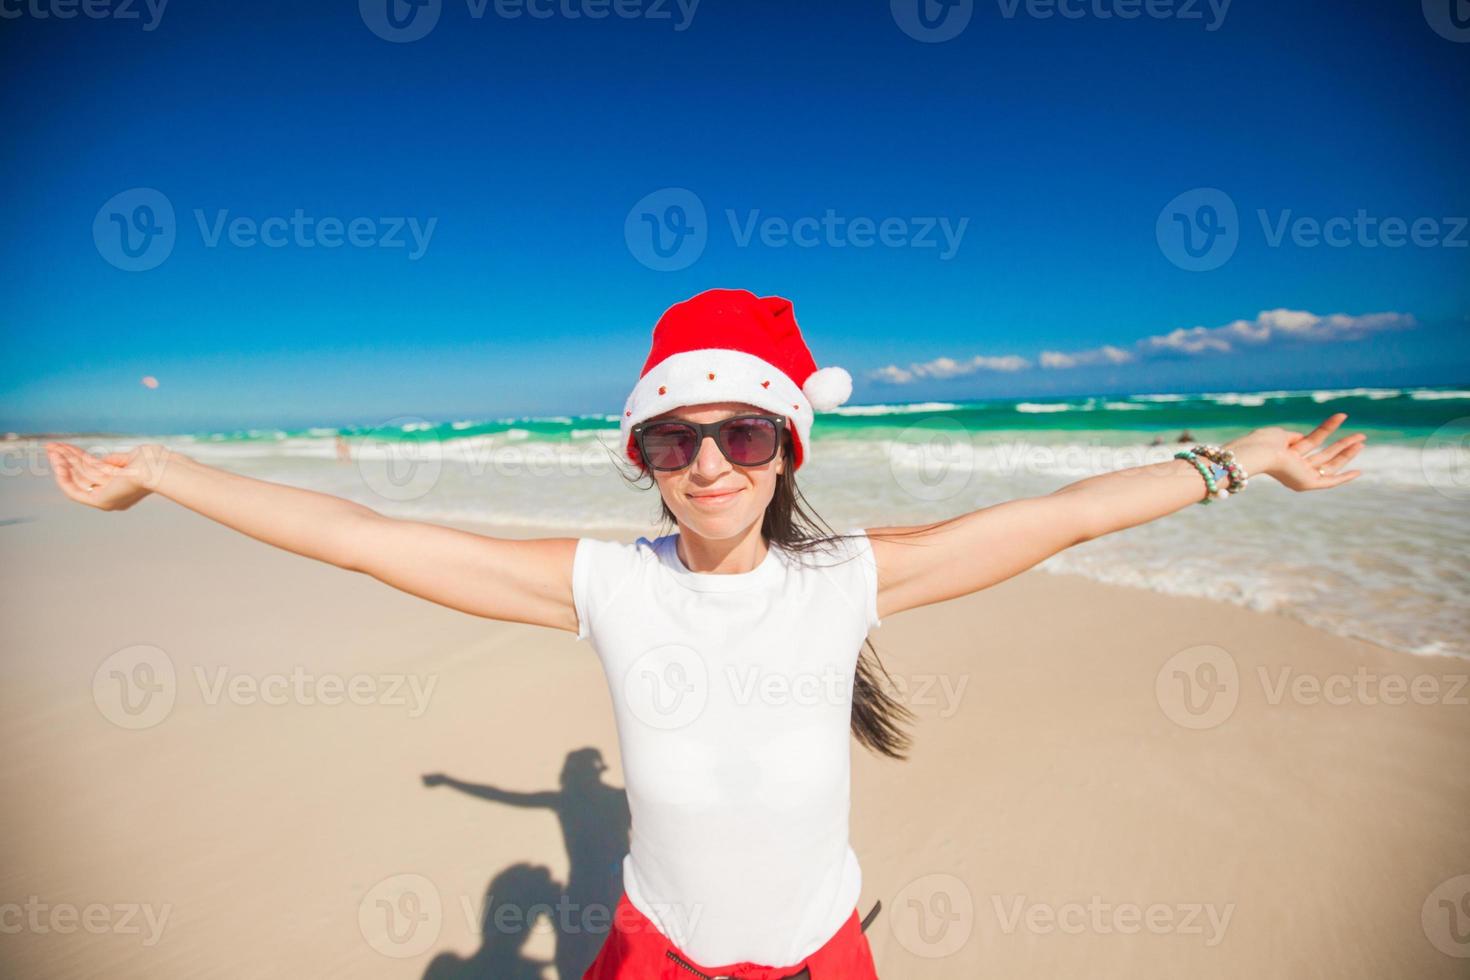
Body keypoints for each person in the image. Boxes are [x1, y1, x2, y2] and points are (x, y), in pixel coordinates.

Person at [41, 288, 1367, 979]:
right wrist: (163, 469)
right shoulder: (604, 581)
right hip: (650, 945)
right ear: (644, 457)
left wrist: (1231, 463)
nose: (709, 463)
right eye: (676, 440)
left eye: (741, 434)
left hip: (820, 946)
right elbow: (362, 537)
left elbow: (1060, 514)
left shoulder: (848, 575)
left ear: (786, 448)